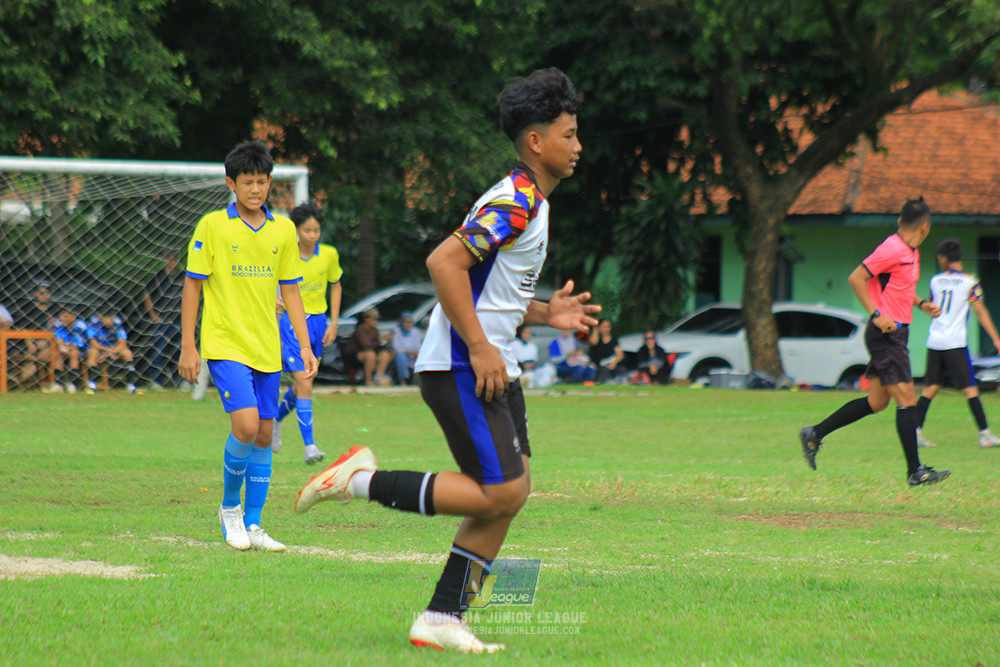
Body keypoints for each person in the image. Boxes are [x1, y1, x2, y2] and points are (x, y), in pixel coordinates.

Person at [294, 68, 597, 654]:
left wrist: (541, 314)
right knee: (501, 493)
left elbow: (490, 293)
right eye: (569, 133)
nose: (578, 145)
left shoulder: (530, 201)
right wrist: (482, 346)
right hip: (462, 364)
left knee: (513, 491)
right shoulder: (517, 199)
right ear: (537, 142)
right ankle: (358, 479)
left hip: (489, 361)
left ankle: (441, 617)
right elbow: (444, 264)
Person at [178, 140, 318, 553]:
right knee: (244, 425)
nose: (255, 189)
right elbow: (192, 285)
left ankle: (255, 525)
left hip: (266, 347)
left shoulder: (282, 231)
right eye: (246, 182)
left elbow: (291, 292)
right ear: (231, 184)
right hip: (224, 344)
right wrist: (189, 345)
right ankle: (229, 511)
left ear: (270, 183)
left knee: (263, 433)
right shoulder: (212, 226)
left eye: (261, 182)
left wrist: (305, 347)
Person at [798, 197, 950, 487]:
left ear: (900, 221)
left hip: (896, 332)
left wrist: (920, 304)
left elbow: (897, 287)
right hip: (886, 334)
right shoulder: (892, 248)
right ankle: (915, 472)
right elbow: (856, 277)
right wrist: (877, 314)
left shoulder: (910, 251)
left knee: (878, 402)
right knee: (907, 399)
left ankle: (814, 433)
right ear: (926, 226)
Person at [273, 200, 343, 465]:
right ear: (297, 231)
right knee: (305, 383)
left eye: (316, 231)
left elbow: (336, 285)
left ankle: (276, 419)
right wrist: (273, 299)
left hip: (318, 324)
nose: (312, 235)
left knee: (304, 382)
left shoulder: (328, 254)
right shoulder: (285, 254)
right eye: (307, 231)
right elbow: (269, 281)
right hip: (292, 324)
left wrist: (334, 323)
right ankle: (310, 446)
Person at [915, 238, 1000, 449]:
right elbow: (980, 310)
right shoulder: (971, 281)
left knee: (931, 386)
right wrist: (996, 338)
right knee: (970, 388)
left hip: (935, 340)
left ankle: (915, 431)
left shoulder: (936, 280)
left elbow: (932, 306)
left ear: (943, 258)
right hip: (955, 342)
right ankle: (985, 434)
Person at [142, 251, 185, 389]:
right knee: (159, 350)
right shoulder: (158, 277)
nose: (171, 262)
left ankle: (184, 381)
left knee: (181, 350)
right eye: (168, 259)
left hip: (179, 319)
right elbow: (147, 295)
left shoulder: (181, 276)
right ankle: (156, 381)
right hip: (162, 320)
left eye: (173, 259)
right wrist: (153, 314)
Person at [13, 281, 58, 391]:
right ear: (35, 294)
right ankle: (22, 383)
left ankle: (20, 382)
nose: (44, 296)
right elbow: (21, 327)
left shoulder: (54, 309)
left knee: (42, 355)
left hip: (47, 344)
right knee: (33, 362)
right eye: (41, 293)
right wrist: (30, 343)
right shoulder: (29, 309)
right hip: (29, 344)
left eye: (47, 293)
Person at [85, 308, 140, 394]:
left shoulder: (117, 324)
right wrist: (107, 351)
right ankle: (92, 385)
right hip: (100, 349)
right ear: (101, 318)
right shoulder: (94, 324)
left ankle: (130, 384)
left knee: (127, 353)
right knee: (93, 352)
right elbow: (93, 343)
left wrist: (112, 351)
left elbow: (123, 343)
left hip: (113, 349)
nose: (109, 321)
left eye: (110, 318)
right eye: (106, 318)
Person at [343, 308, 392, 386]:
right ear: (366, 319)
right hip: (354, 355)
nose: (375, 322)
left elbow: (378, 346)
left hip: (371, 352)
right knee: (370, 355)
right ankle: (368, 381)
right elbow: (366, 345)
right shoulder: (360, 330)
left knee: (385, 355)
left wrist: (386, 341)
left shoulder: (375, 330)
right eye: (373, 319)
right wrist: (379, 340)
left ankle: (378, 378)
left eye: (376, 320)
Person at [51, 303, 89, 393]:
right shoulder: (59, 324)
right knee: (58, 353)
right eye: (61, 316)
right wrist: (61, 347)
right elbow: (58, 339)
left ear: (73, 316)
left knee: (74, 353)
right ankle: (58, 384)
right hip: (66, 348)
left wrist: (67, 349)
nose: (62, 318)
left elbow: (77, 344)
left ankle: (72, 384)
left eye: (65, 316)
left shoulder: (80, 325)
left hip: (82, 350)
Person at [588, 318, 625, 383]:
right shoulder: (597, 339)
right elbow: (593, 342)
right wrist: (595, 329)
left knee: (621, 370)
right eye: (603, 327)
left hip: (610, 363)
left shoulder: (614, 339)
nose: (606, 329)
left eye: (607, 327)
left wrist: (614, 363)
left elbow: (620, 354)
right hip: (599, 365)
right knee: (603, 371)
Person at [392, 311, 422, 385]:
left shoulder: (415, 332)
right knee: (400, 357)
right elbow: (397, 347)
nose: (408, 324)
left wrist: (415, 352)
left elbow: (419, 347)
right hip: (403, 355)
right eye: (405, 322)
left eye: (410, 322)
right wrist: (409, 352)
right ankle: (403, 380)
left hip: (414, 355)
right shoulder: (397, 331)